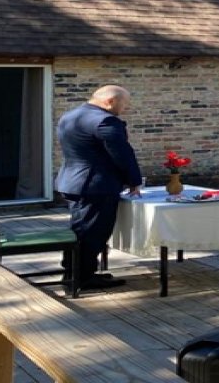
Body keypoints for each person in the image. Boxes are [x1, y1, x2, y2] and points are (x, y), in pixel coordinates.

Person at [55, 85, 143, 291]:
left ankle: (73, 273)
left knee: (80, 230)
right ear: (110, 101)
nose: (126, 108)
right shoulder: (105, 121)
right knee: (92, 234)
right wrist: (134, 181)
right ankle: (82, 278)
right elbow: (122, 155)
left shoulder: (70, 116)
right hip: (95, 186)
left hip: (73, 182)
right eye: (124, 103)